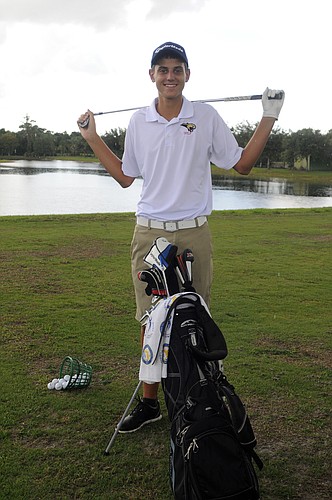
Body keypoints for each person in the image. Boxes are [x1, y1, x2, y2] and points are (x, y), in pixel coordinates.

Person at [78, 41, 285, 433]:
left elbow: (242, 164)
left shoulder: (204, 116)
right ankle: (149, 403)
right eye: (163, 69)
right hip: (150, 231)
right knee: (150, 321)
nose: (170, 76)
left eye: (177, 69)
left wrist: (269, 116)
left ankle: (200, 399)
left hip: (194, 230)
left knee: (196, 316)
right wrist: (92, 137)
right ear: (152, 75)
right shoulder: (139, 121)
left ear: (187, 75)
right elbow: (125, 176)